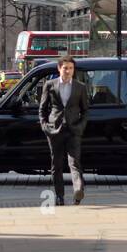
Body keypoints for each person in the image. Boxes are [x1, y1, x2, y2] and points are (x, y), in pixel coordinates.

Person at [39, 57, 89, 206]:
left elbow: (85, 111)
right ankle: (59, 195)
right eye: (65, 68)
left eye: (71, 68)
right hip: (55, 130)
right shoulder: (49, 85)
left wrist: (80, 126)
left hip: (74, 130)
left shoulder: (80, 87)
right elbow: (42, 109)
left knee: (74, 162)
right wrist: (45, 126)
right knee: (57, 164)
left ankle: (78, 190)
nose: (68, 71)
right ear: (59, 69)